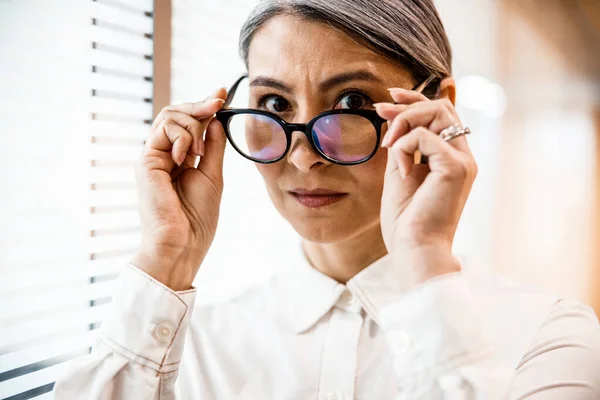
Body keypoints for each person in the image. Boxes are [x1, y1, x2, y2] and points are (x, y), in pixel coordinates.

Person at [53, 0, 600, 398]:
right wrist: (166, 255)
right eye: (273, 102)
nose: (303, 157)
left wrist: (424, 256)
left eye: (352, 100)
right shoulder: (183, 352)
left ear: (440, 109)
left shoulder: (547, 334)